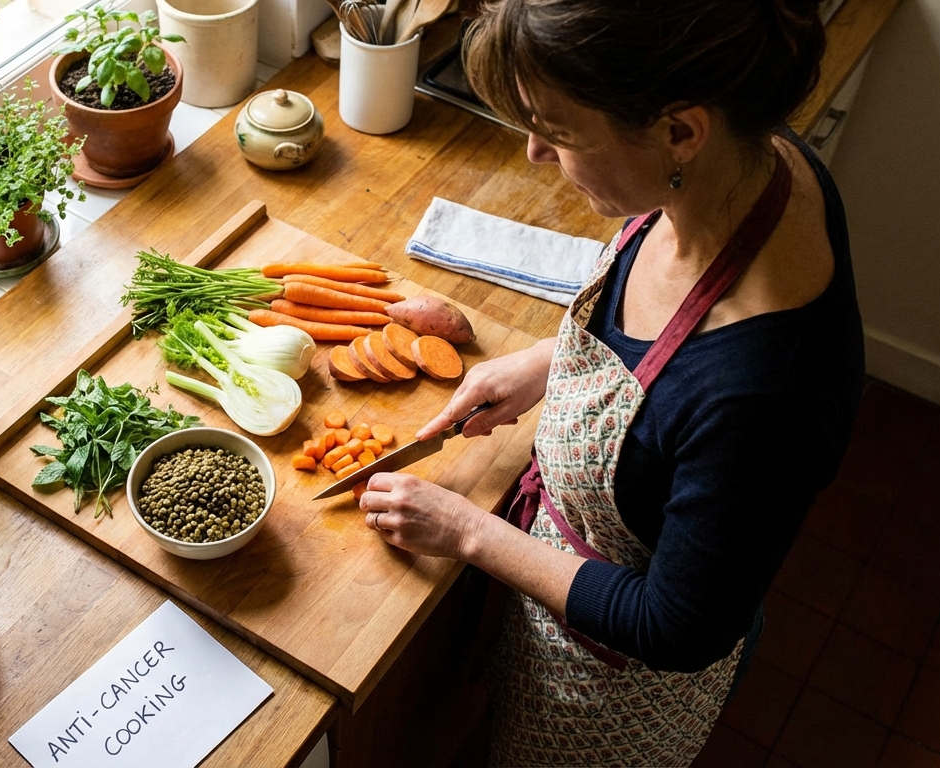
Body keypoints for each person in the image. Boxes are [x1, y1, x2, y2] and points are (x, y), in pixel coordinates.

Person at [356, 0, 865, 764]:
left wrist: (465, 530)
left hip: (611, 689)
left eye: (557, 132)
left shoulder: (766, 390)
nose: (532, 152)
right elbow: (659, 345)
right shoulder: (746, 159)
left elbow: (676, 627)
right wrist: (544, 362)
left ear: (679, 132)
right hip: (568, 601)